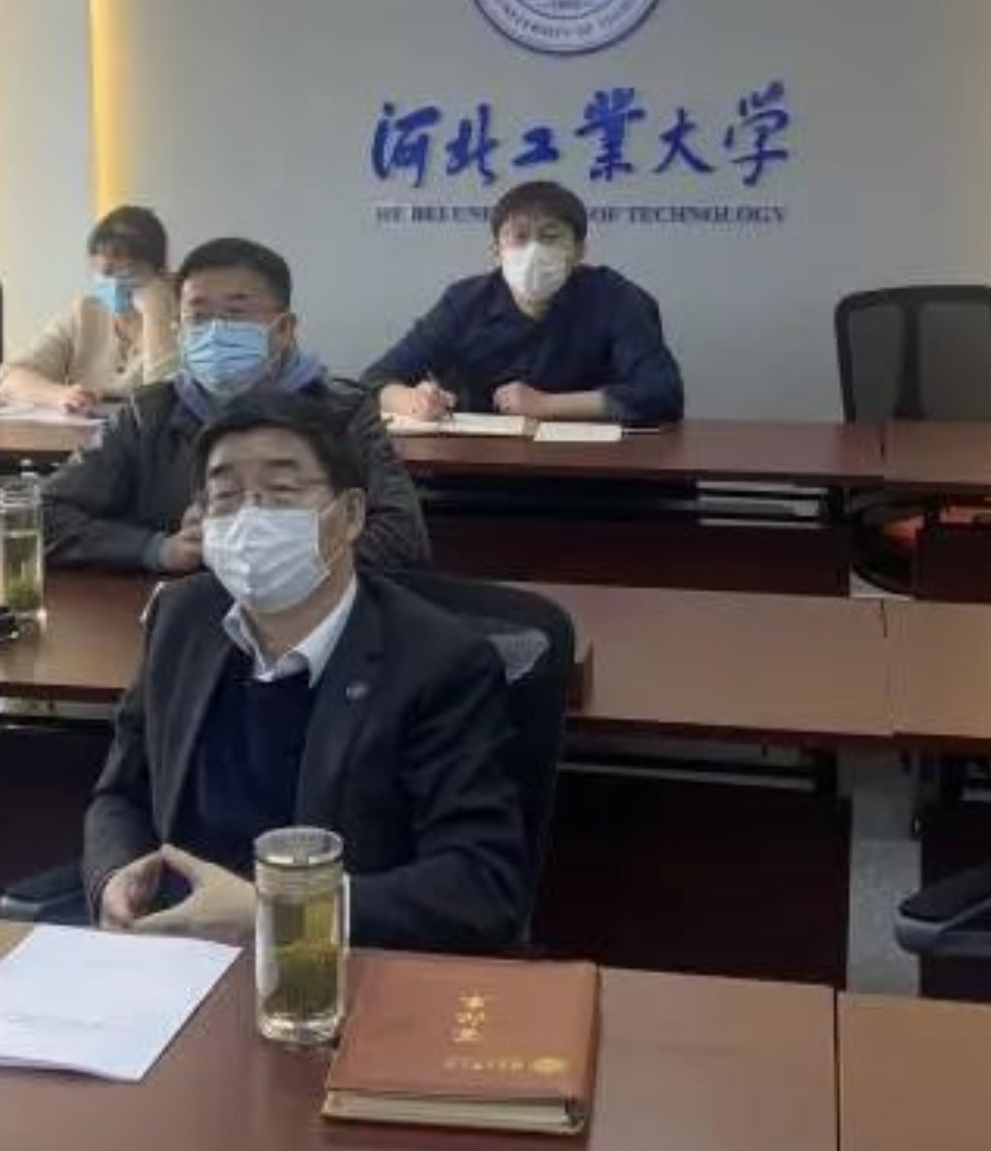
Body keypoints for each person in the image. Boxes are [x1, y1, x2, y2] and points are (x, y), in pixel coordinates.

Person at [84, 393, 529, 953]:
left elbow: (479, 885)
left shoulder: (438, 661)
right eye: (226, 497)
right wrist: (114, 876)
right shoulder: (180, 619)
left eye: (281, 492)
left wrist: (281, 912)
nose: (251, 518)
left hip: (332, 966)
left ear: (350, 516)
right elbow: (122, 793)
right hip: (175, 953)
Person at [43, 235, 430, 574]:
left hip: (308, 608)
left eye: (235, 314)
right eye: (198, 317)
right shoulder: (148, 414)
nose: (215, 332)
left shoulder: (344, 411)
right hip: (179, 608)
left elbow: (404, 536)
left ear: (284, 329)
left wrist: (297, 556)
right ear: (179, 331)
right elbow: (43, 515)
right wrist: (157, 549)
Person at [369, 179, 685, 427]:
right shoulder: (464, 302)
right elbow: (374, 382)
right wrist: (412, 401)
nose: (534, 251)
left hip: (596, 472)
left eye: (550, 237)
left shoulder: (613, 296)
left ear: (578, 251)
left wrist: (546, 405)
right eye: (519, 237)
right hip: (478, 470)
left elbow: (662, 392)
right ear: (497, 251)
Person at [0, 203, 177, 415]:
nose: (113, 282)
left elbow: (166, 398)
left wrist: (156, 315)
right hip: (84, 433)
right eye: (103, 273)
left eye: (124, 271)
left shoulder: (188, 318)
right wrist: (59, 395)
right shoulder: (85, 312)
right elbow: (11, 377)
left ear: (159, 272)